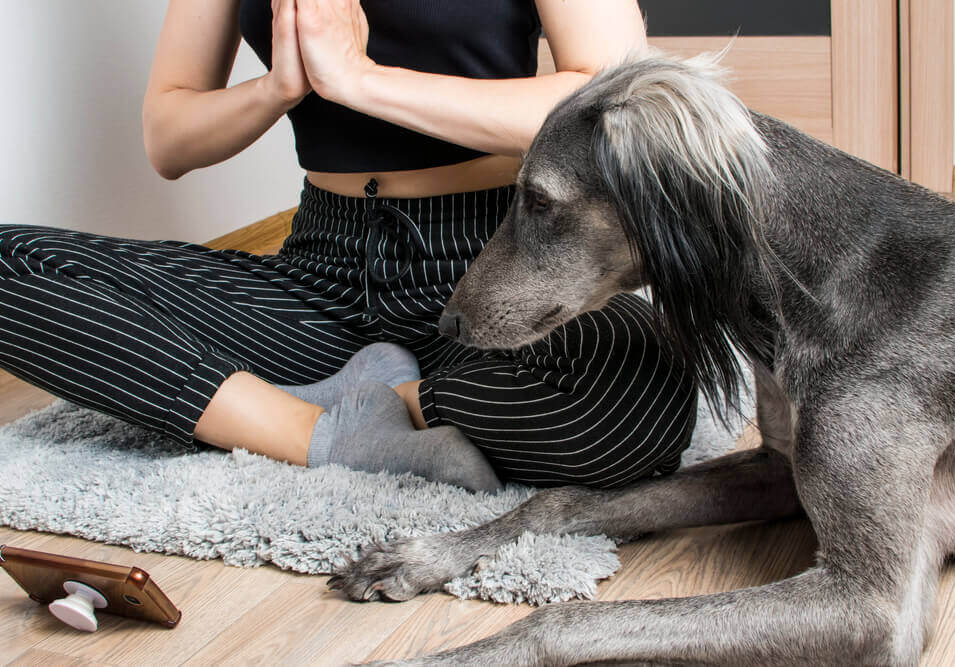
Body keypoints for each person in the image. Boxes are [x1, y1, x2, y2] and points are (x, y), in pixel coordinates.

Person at [0, 0, 696, 491]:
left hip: (492, 261)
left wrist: (359, 80)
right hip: (319, 267)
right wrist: (278, 88)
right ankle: (328, 431)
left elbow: (614, 100)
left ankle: (381, 400)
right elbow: (168, 134)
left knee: (642, 374)